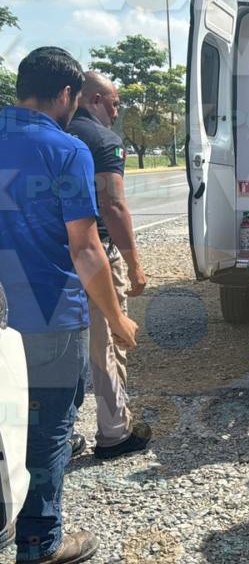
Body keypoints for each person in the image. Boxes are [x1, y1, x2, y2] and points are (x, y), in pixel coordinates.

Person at [0, 47, 139, 564]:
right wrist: (117, 317)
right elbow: (85, 248)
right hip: (50, 318)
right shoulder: (66, 150)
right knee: (48, 429)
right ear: (65, 95)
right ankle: (40, 544)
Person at [66, 71, 151, 461]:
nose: (117, 112)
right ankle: (114, 433)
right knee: (109, 342)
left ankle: (61, 434)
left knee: (60, 347)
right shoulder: (103, 140)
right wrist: (134, 264)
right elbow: (113, 206)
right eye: (115, 103)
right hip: (96, 254)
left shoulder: (60, 133)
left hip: (55, 257)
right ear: (96, 99)